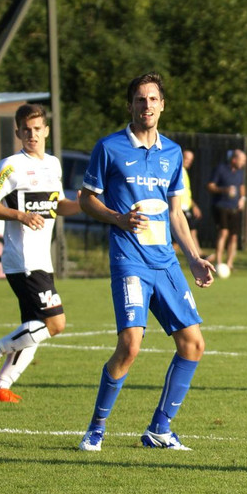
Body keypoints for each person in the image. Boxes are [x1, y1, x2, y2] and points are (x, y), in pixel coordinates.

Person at [75, 72, 214, 452]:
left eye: (153, 99)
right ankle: (96, 427)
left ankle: (159, 429)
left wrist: (194, 258)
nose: (147, 105)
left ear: (162, 105)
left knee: (193, 344)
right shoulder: (110, 147)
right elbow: (86, 199)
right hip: (129, 260)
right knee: (130, 346)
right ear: (130, 105)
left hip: (165, 262)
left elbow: (176, 213)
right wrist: (118, 218)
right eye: (140, 99)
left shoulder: (172, 152)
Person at [0, 104, 82, 402]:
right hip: (22, 259)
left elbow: (58, 205)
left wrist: (83, 204)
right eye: (26, 130)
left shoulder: (54, 164)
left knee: (33, 327)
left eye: (37, 129)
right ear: (18, 132)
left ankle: (1, 387)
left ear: (46, 130)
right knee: (54, 324)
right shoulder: (11, 165)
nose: (32, 135)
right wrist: (19, 215)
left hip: (41, 260)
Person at [206, 149, 246, 274]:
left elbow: (242, 187)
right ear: (234, 159)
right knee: (223, 233)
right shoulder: (221, 169)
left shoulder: (240, 173)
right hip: (221, 206)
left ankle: (229, 264)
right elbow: (210, 186)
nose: (243, 163)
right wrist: (224, 190)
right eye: (242, 160)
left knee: (234, 237)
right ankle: (218, 263)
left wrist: (242, 199)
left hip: (235, 208)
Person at [173, 148, 202, 255]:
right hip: (178, 209)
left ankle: (198, 255)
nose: (188, 161)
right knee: (180, 237)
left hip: (186, 207)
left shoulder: (184, 171)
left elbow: (186, 192)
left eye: (191, 160)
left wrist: (193, 205)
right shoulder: (177, 171)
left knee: (192, 232)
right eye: (186, 158)